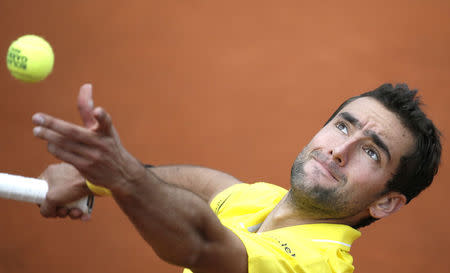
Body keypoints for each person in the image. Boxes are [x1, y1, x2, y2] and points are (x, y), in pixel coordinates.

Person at [32, 83, 441, 273]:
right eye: (343, 126)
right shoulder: (265, 201)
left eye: (371, 152)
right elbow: (202, 184)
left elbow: (201, 244)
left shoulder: (315, 266)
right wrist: (92, 179)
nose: (339, 150)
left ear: (385, 201)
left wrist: (118, 174)